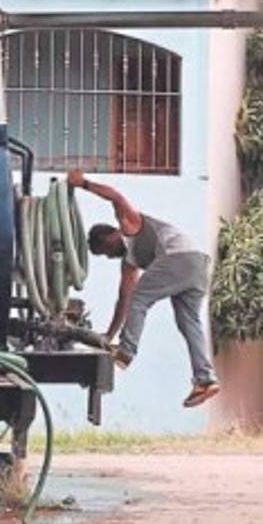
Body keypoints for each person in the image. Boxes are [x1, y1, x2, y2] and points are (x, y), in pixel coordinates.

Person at [68, 168, 220, 408]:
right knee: (188, 323)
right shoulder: (130, 262)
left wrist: (83, 184)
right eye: (105, 256)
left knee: (142, 297)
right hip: (197, 266)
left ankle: (127, 351)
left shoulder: (130, 223)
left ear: (113, 234)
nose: (109, 256)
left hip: (180, 257)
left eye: (107, 250)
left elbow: (115, 197)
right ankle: (205, 379)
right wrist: (109, 335)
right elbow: (124, 300)